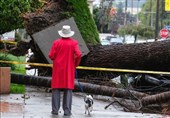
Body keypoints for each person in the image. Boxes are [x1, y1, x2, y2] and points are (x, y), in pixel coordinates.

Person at [48, 25, 82, 116]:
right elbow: (79, 54)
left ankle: (55, 110)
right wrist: (75, 63)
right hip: (69, 69)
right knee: (68, 89)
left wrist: (56, 58)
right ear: (69, 33)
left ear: (61, 33)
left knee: (56, 88)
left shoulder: (56, 42)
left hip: (58, 69)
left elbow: (51, 55)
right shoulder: (74, 43)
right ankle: (67, 111)